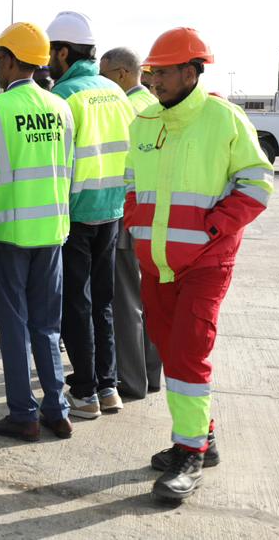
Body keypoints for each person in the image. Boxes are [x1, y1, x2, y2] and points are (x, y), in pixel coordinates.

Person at [124, 27, 272, 501]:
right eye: (151, 73)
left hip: (206, 264)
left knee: (189, 353)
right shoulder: (145, 121)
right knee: (172, 352)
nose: (153, 81)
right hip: (155, 264)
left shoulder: (224, 119)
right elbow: (131, 181)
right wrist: (134, 223)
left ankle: (189, 452)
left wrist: (212, 230)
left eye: (163, 73)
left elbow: (257, 184)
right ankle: (202, 436)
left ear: (191, 72)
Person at [0, 23, 75, 443]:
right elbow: (68, 168)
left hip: (8, 232)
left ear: (11, 60)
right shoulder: (61, 108)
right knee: (47, 325)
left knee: (14, 327)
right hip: (51, 230)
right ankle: (57, 409)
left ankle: (23, 414)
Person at [47, 11, 135, 419]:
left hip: (76, 213)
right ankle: (108, 386)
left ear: (64, 52)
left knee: (76, 304)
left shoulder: (65, 97)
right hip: (112, 210)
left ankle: (84, 392)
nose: (48, 61)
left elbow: (57, 162)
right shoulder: (116, 92)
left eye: (51, 52)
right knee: (103, 301)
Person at [99, 47, 163, 399]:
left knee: (126, 303)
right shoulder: (156, 105)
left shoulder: (123, 107)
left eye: (105, 75)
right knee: (152, 300)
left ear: (122, 74)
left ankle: (132, 380)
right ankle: (151, 375)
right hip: (159, 218)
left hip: (128, 214)